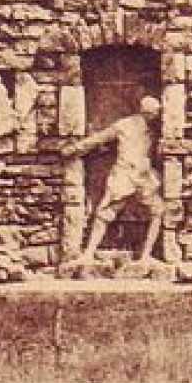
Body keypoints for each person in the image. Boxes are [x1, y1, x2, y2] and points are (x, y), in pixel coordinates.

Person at [62, 95, 165, 261]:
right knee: (105, 212)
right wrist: (75, 148)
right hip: (124, 174)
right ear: (146, 112)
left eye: (156, 114)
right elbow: (98, 139)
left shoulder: (151, 131)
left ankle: (146, 255)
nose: (155, 117)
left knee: (158, 211)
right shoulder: (124, 125)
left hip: (143, 175)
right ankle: (88, 253)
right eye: (153, 113)